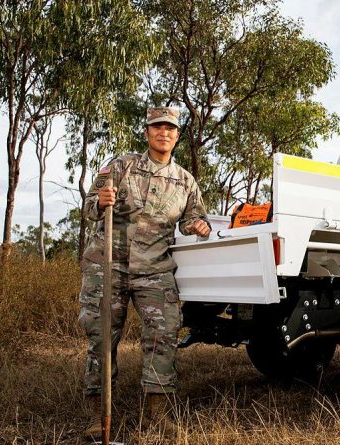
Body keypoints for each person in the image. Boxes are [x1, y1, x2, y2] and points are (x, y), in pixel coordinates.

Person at [78, 106, 211, 440]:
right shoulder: (121, 166)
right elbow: (89, 206)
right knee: (102, 337)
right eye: (157, 127)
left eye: (170, 128)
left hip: (154, 269)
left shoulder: (185, 181)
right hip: (108, 264)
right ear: (147, 132)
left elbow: (196, 218)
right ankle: (97, 416)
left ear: (177, 136)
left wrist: (198, 225)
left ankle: (157, 415)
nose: (163, 133)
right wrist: (100, 201)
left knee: (163, 336)